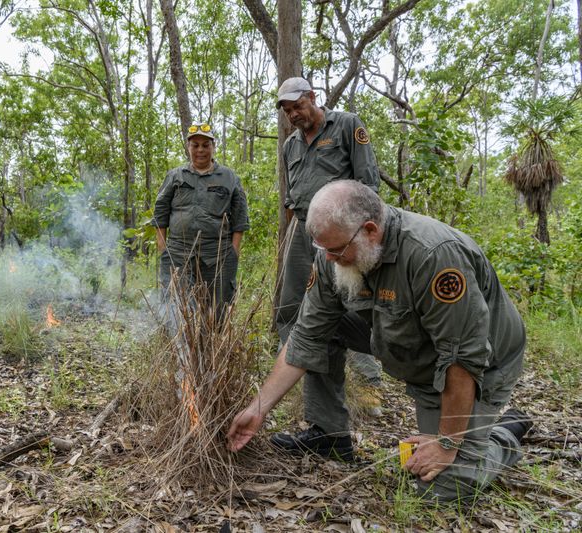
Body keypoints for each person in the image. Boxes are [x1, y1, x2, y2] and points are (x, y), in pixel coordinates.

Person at [227, 180, 532, 503]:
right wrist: (258, 409)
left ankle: (503, 436)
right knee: (324, 329)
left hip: (480, 365)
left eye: (336, 250)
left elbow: (462, 357)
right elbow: (307, 334)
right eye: (322, 249)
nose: (329, 258)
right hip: (407, 344)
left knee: (445, 488)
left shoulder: (433, 255)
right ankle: (330, 435)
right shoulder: (335, 250)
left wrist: (446, 442)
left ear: (370, 230)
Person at [273, 77, 384, 444]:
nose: (294, 115)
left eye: (297, 106)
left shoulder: (348, 125)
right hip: (302, 231)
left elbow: (368, 184)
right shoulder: (290, 145)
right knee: (290, 305)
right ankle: (297, 371)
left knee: (351, 307)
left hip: (342, 236)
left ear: (312, 97)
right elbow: (293, 195)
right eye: (288, 111)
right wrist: (291, 235)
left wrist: (361, 234)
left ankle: (369, 383)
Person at [153, 123, 249, 321]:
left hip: (217, 255)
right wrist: (163, 247)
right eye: (195, 145)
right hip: (178, 253)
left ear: (213, 146)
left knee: (216, 311)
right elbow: (160, 211)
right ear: (188, 147)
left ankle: (212, 350)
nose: (200, 150)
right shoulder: (175, 176)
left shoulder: (229, 177)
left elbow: (240, 217)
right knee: (177, 308)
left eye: (206, 145)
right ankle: (180, 350)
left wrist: (233, 252)